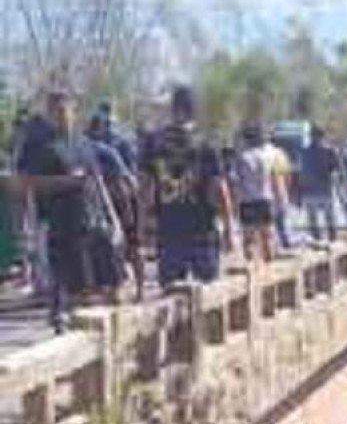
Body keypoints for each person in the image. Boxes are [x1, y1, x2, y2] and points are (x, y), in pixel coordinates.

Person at [16, 90, 124, 331]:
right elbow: (27, 183)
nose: (61, 115)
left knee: (105, 283)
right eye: (55, 111)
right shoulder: (40, 147)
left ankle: (98, 334)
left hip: (91, 221)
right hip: (58, 224)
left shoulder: (84, 144)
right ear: (48, 114)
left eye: (65, 110)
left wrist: (113, 218)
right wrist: (65, 181)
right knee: (67, 286)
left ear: (73, 111)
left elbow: (97, 180)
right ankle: (64, 326)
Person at [144, 86, 235, 288]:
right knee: (210, 297)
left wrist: (143, 226)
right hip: (202, 232)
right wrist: (228, 227)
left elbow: (145, 189)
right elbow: (220, 189)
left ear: (172, 108)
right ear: (194, 110)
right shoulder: (206, 144)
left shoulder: (154, 143)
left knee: (170, 296)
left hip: (169, 232)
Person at [87, 112, 145, 300]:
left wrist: (127, 212)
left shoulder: (107, 150)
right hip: (112, 202)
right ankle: (128, 288)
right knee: (120, 246)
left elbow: (123, 181)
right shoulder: (100, 149)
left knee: (129, 245)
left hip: (121, 200)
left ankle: (136, 289)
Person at [232, 122, 287, 263]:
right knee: (267, 237)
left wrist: (234, 205)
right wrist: (281, 201)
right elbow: (276, 179)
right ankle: (269, 270)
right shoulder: (269, 155)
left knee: (248, 239)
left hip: (247, 201)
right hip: (265, 199)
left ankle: (251, 270)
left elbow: (236, 182)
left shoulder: (241, 157)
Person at [298, 126, 343, 242]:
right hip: (323, 188)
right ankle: (331, 239)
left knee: (315, 218)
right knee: (328, 217)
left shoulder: (304, 152)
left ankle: (318, 239)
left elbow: (302, 172)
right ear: (323, 136)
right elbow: (337, 170)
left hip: (312, 189)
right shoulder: (329, 151)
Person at [266, 135, 295, 250]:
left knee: (269, 224)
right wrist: (287, 189)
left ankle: (273, 247)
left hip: (265, 194)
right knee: (282, 222)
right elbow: (288, 174)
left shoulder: (258, 153)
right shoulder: (279, 154)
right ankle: (285, 243)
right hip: (280, 190)